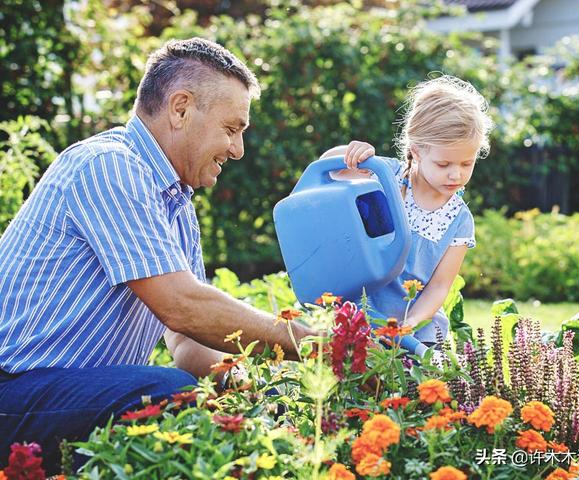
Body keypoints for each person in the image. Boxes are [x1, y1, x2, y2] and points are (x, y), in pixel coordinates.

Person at [0, 37, 314, 473]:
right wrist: (312, 342)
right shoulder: (108, 166)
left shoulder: (176, 205)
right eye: (232, 129)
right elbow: (182, 307)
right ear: (181, 108)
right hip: (12, 390)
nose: (238, 149)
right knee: (168, 392)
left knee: (203, 392)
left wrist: (250, 385)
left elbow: (187, 343)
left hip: (55, 393)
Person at [320, 75, 493, 350]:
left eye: (467, 163)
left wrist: (408, 325)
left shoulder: (459, 221)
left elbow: (438, 287)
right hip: (361, 319)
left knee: (418, 390)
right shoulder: (385, 175)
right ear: (416, 150)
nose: (456, 173)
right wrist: (351, 152)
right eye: (444, 163)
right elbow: (328, 169)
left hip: (417, 333)